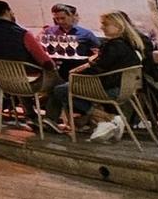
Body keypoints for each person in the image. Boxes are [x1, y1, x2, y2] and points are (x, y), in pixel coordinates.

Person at [48, 11, 152, 141]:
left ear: (118, 26)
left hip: (109, 88)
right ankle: (99, 121)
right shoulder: (129, 43)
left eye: (105, 24)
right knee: (67, 87)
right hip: (125, 88)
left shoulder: (114, 46)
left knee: (61, 89)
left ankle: (109, 118)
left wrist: (76, 73)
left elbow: (98, 69)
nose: (102, 27)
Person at [0, 0, 55, 70]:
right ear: (7, 11)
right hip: (30, 79)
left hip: (0, 79)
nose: (13, 13)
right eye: (12, 11)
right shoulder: (23, 34)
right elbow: (47, 63)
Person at [41, 3, 101, 75]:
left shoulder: (86, 34)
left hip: (77, 68)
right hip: (54, 67)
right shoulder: (49, 31)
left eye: (63, 18)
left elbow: (99, 52)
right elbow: (42, 48)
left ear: (72, 17)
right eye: (57, 19)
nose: (60, 21)